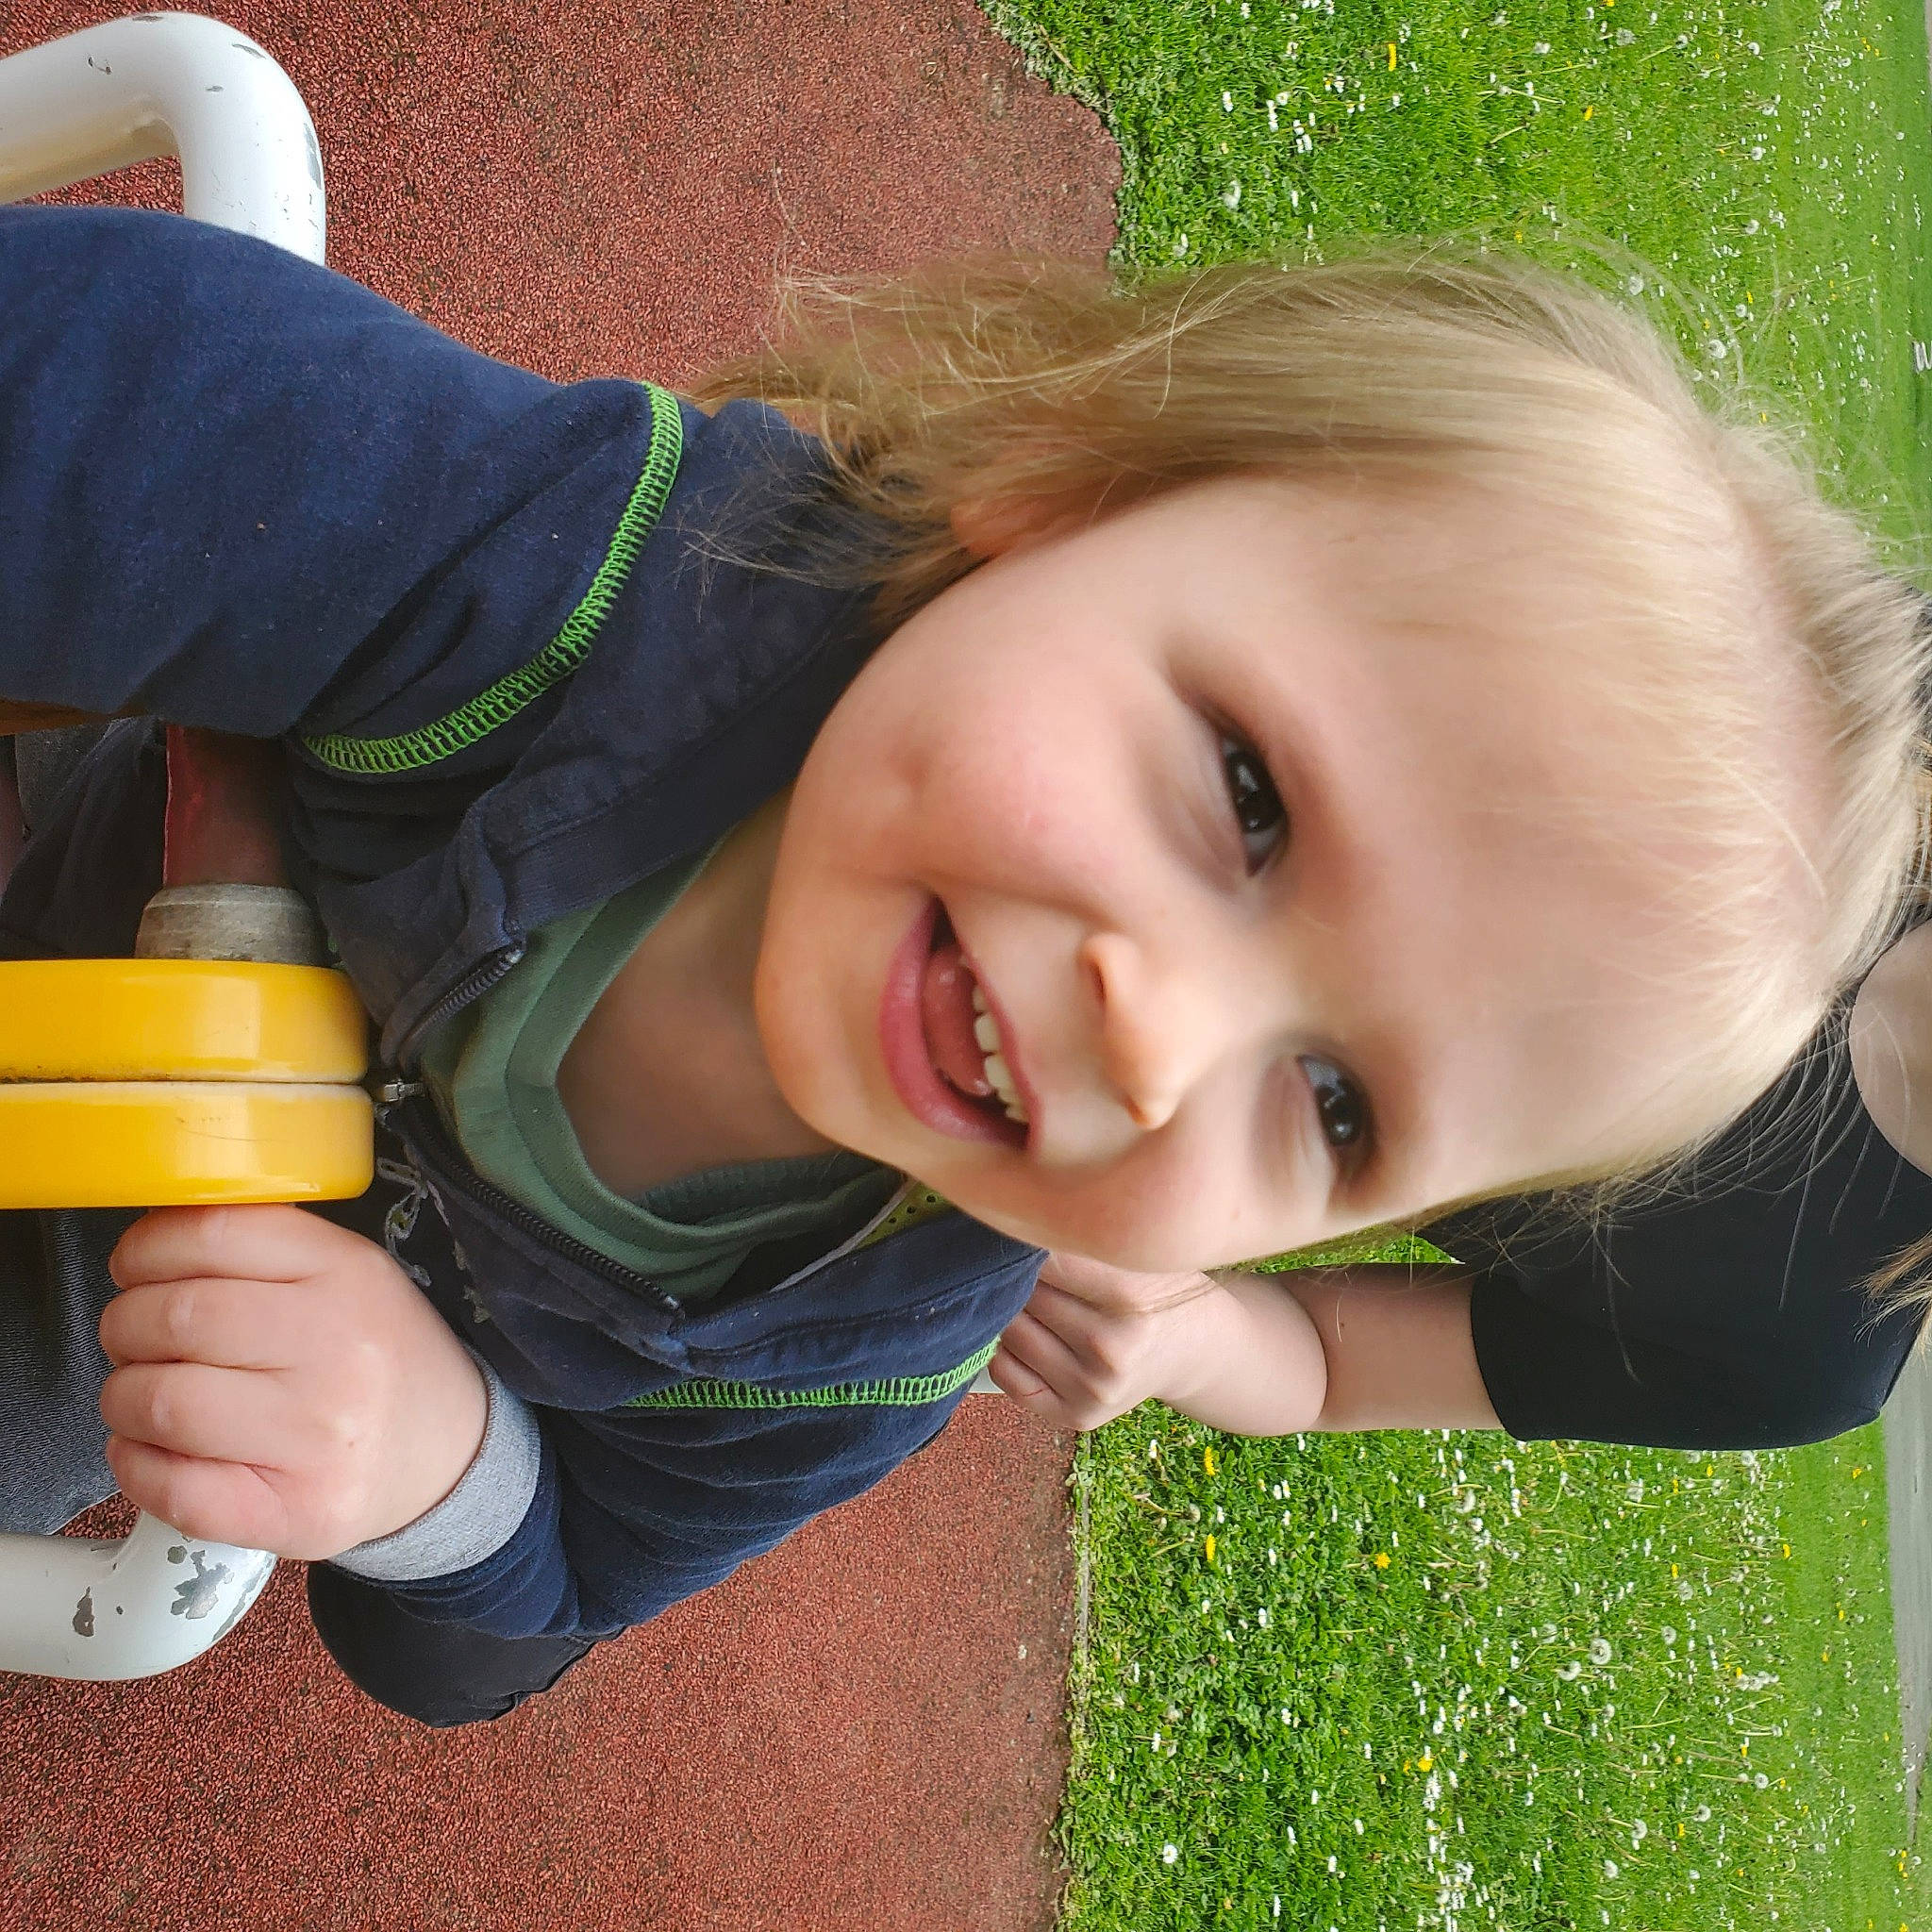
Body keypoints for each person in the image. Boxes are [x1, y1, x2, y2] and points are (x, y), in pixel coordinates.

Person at [0, 201, 1924, 1726]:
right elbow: (95, 387)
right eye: (1247, 796)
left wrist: (438, 1462)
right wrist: (232, 859)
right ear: (1072, 491)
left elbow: (509, 1624)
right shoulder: (595, 585)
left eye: (1333, 1107)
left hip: (79, 1284)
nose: (1158, 1037)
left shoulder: (851, 1346)